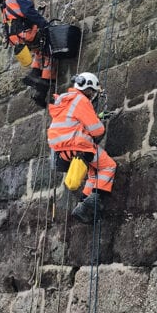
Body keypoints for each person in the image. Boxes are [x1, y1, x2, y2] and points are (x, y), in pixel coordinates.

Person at [47, 72, 116, 223]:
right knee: (108, 166)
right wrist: (99, 122)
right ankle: (93, 202)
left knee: (93, 173)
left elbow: (73, 122)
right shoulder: (82, 101)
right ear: (88, 89)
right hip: (80, 147)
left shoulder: (65, 100)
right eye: (92, 92)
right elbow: (97, 130)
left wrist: (97, 116)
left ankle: (82, 207)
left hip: (61, 150)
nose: (93, 95)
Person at [2, 0, 52, 106]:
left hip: (15, 33)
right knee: (49, 46)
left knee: (40, 49)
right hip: (22, 31)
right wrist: (44, 23)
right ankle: (41, 84)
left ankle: (36, 79)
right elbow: (27, 11)